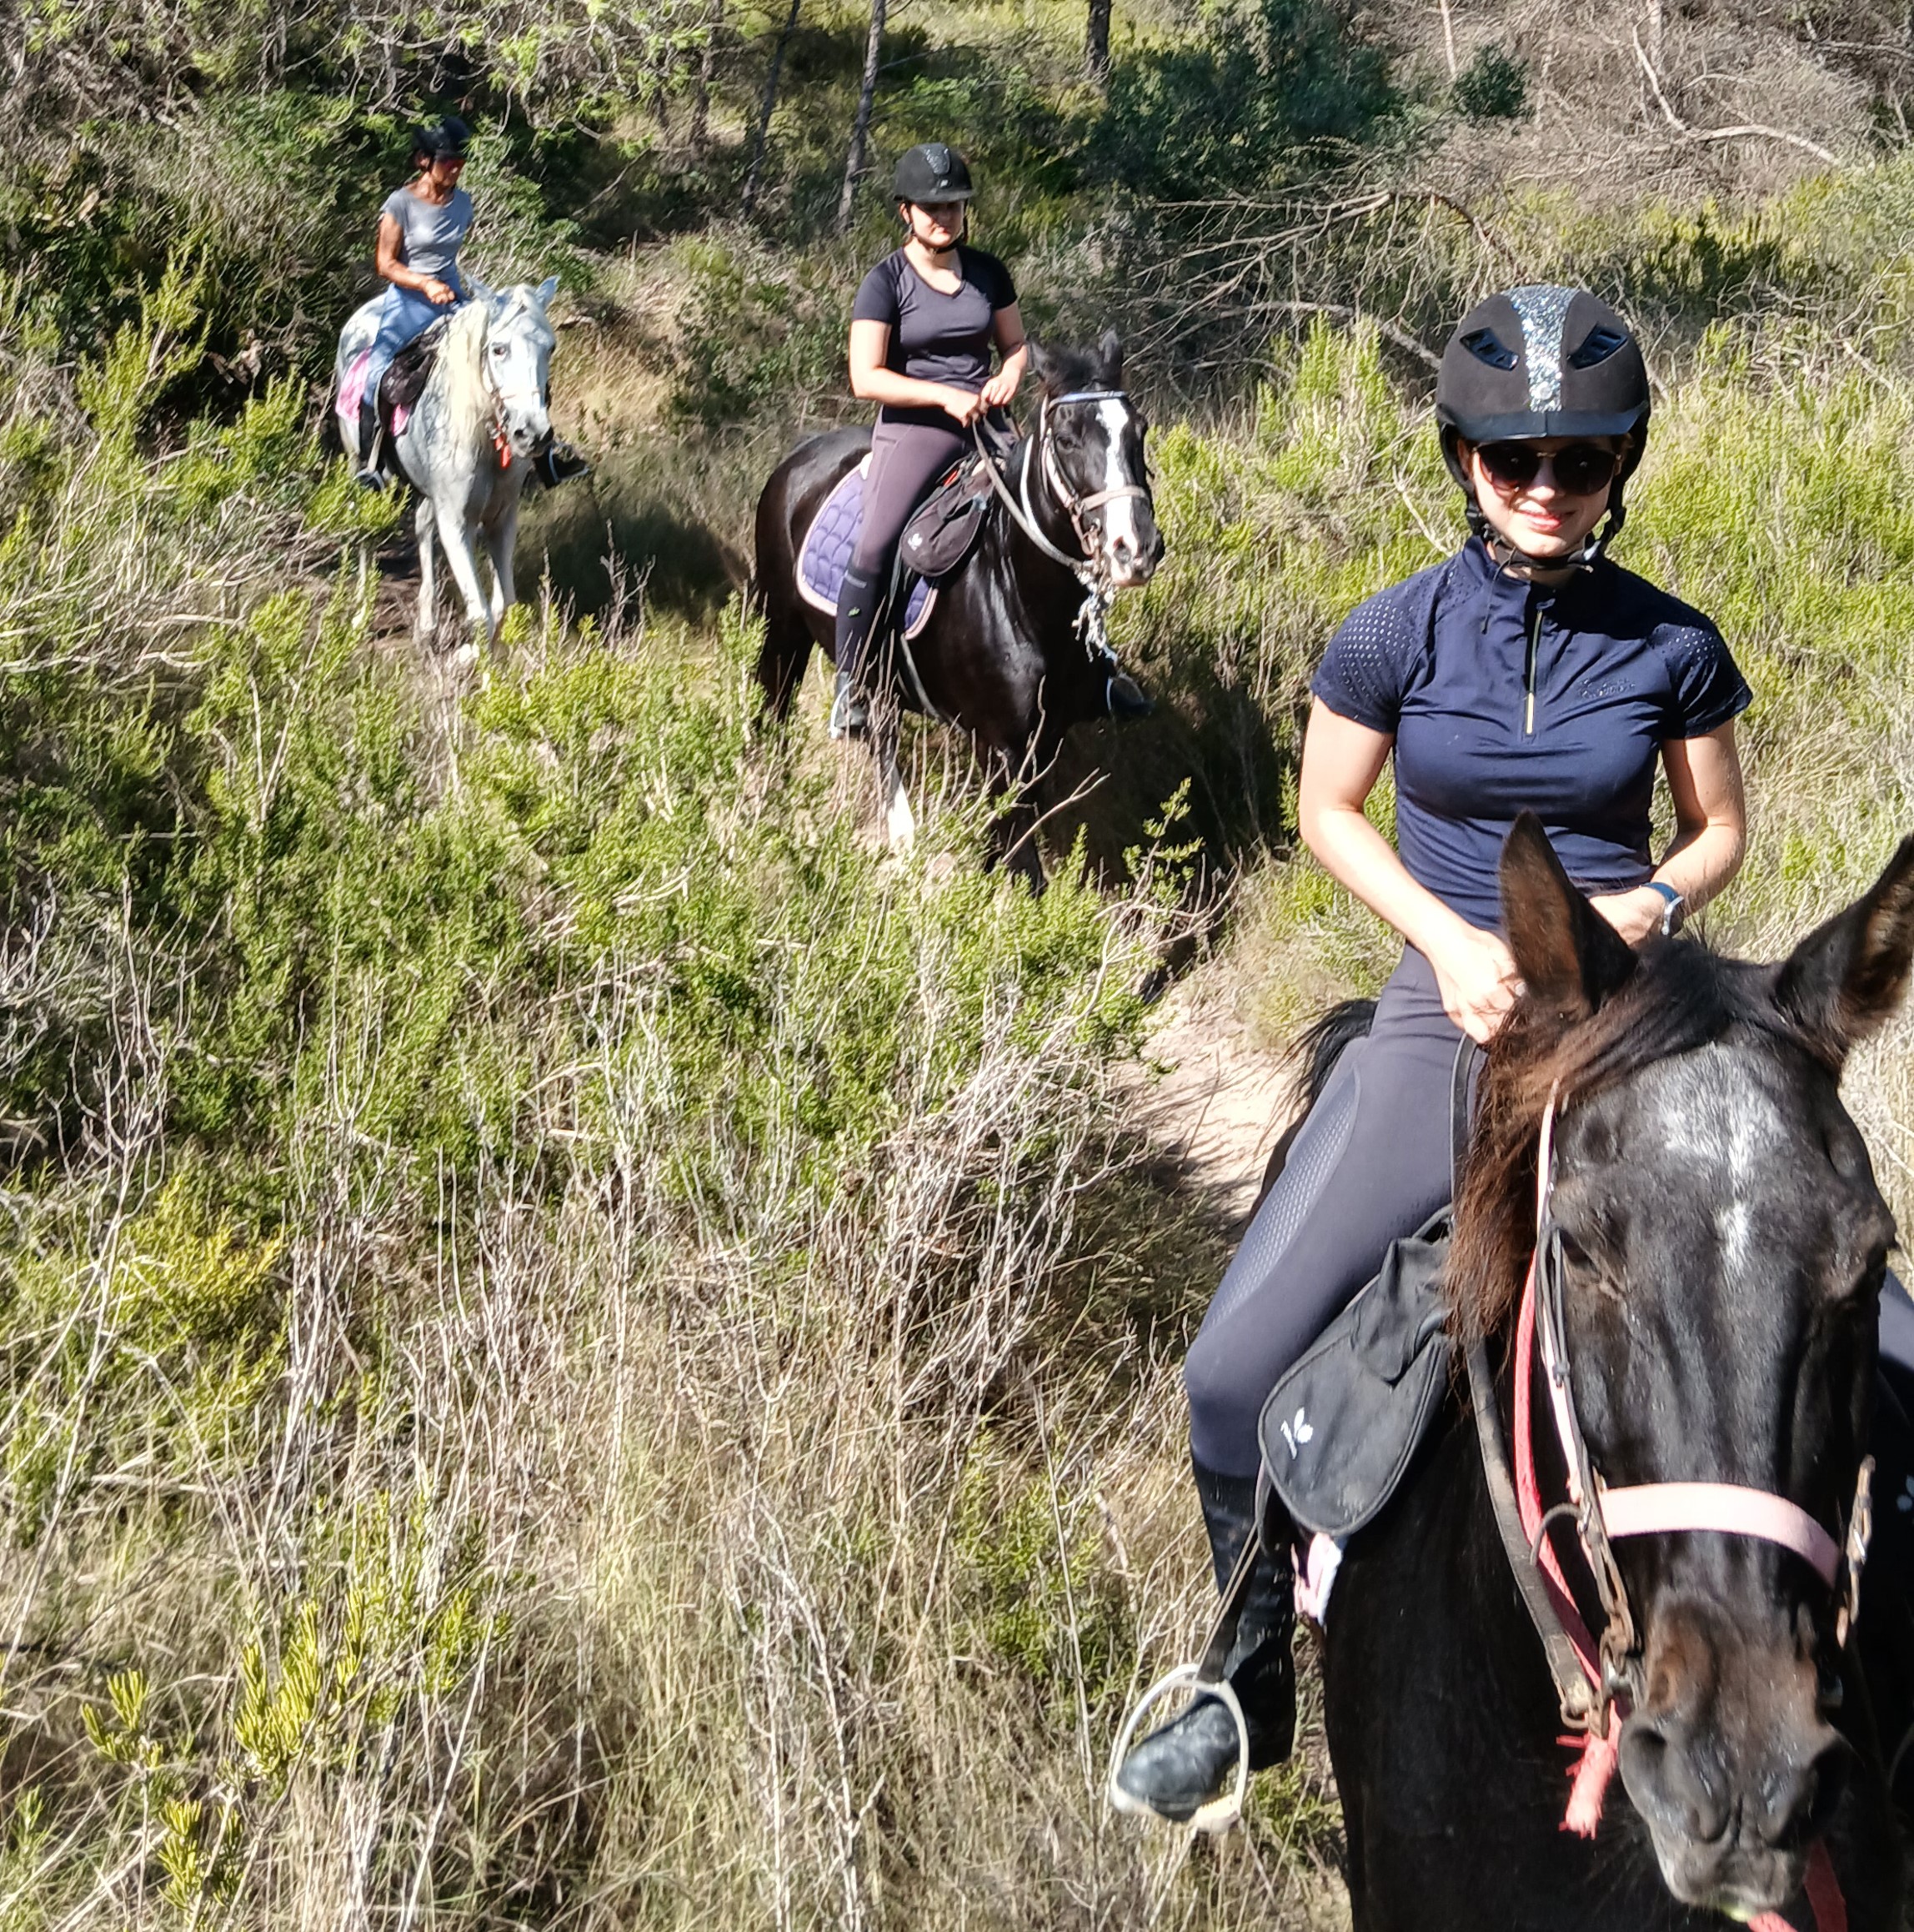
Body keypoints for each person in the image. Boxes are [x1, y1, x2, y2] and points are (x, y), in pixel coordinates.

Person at [1113, 286, 1753, 1823]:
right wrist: (1452, 942)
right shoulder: (1394, 629)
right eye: (1516, 456)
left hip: (1618, 1011)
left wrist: (1646, 902)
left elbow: (1719, 827)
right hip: (1442, 1007)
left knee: (1855, 1332)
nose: (1548, 486)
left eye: (1582, 461)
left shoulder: (1673, 642)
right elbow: (1325, 811)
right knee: (1226, 1377)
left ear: (1622, 466)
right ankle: (1246, 1671)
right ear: (1463, 459)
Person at [830, 143, 1028, 739]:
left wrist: (1007, 377)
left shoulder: (989, 273)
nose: (945, 217)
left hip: (987, 426)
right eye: (932, 207)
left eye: (955, 206)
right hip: (916, 430)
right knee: (873, 545)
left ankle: (1093, 664)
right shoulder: (885, 282)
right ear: (905, 212)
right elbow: (865, 377)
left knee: (1059, 512)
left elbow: (1016, 346)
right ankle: (852, 684)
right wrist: (945, 396)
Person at [353, 116, 588, 492]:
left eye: (460, 162)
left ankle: (545, 458)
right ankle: (371, 463)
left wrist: (446, 286)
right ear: (424, 162)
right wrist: (425, 283)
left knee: (513, 354)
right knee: (376, 371)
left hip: (453, 296)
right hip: (409, 301)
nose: (456, 168)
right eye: (448, 162)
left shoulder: (463, 203)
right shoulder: (399, 204)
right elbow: (385, 263)